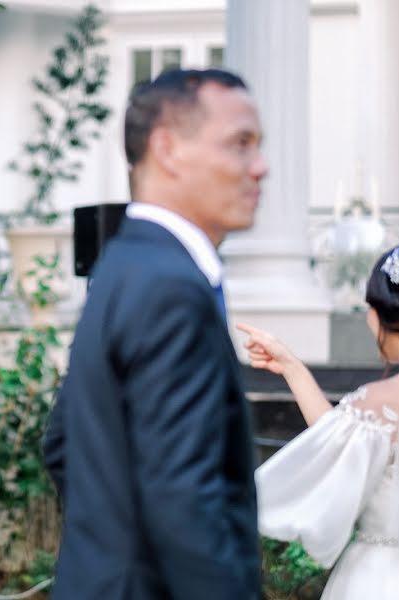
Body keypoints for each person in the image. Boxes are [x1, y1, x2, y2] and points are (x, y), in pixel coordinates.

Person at [42, 69, 267, 600]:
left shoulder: (123, 263)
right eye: (240, 145)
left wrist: (110, 548)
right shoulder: (171, 285)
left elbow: (61, 443)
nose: (260, 167)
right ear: (168, 150)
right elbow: (185, 497)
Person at [242, 234, 399, 598]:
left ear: (384, 316)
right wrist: (292, 367)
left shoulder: (380, 401)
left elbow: (329, 449)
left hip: (380, 579)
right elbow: (339, 438)